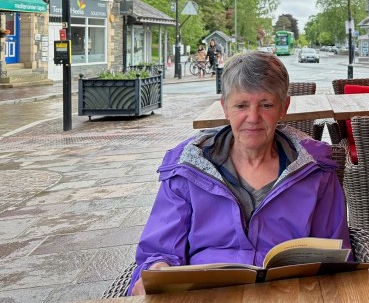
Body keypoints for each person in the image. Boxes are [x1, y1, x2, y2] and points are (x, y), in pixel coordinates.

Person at [128, 51, 350, 295]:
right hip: (205, 297)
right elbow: (157, 252)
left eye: (266, 105)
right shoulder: (186, 170)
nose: (252, 118)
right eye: (241, 105)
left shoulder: (316, 172)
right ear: (225, 107)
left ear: (283, 107)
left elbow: (334, 256)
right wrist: (157, 269)